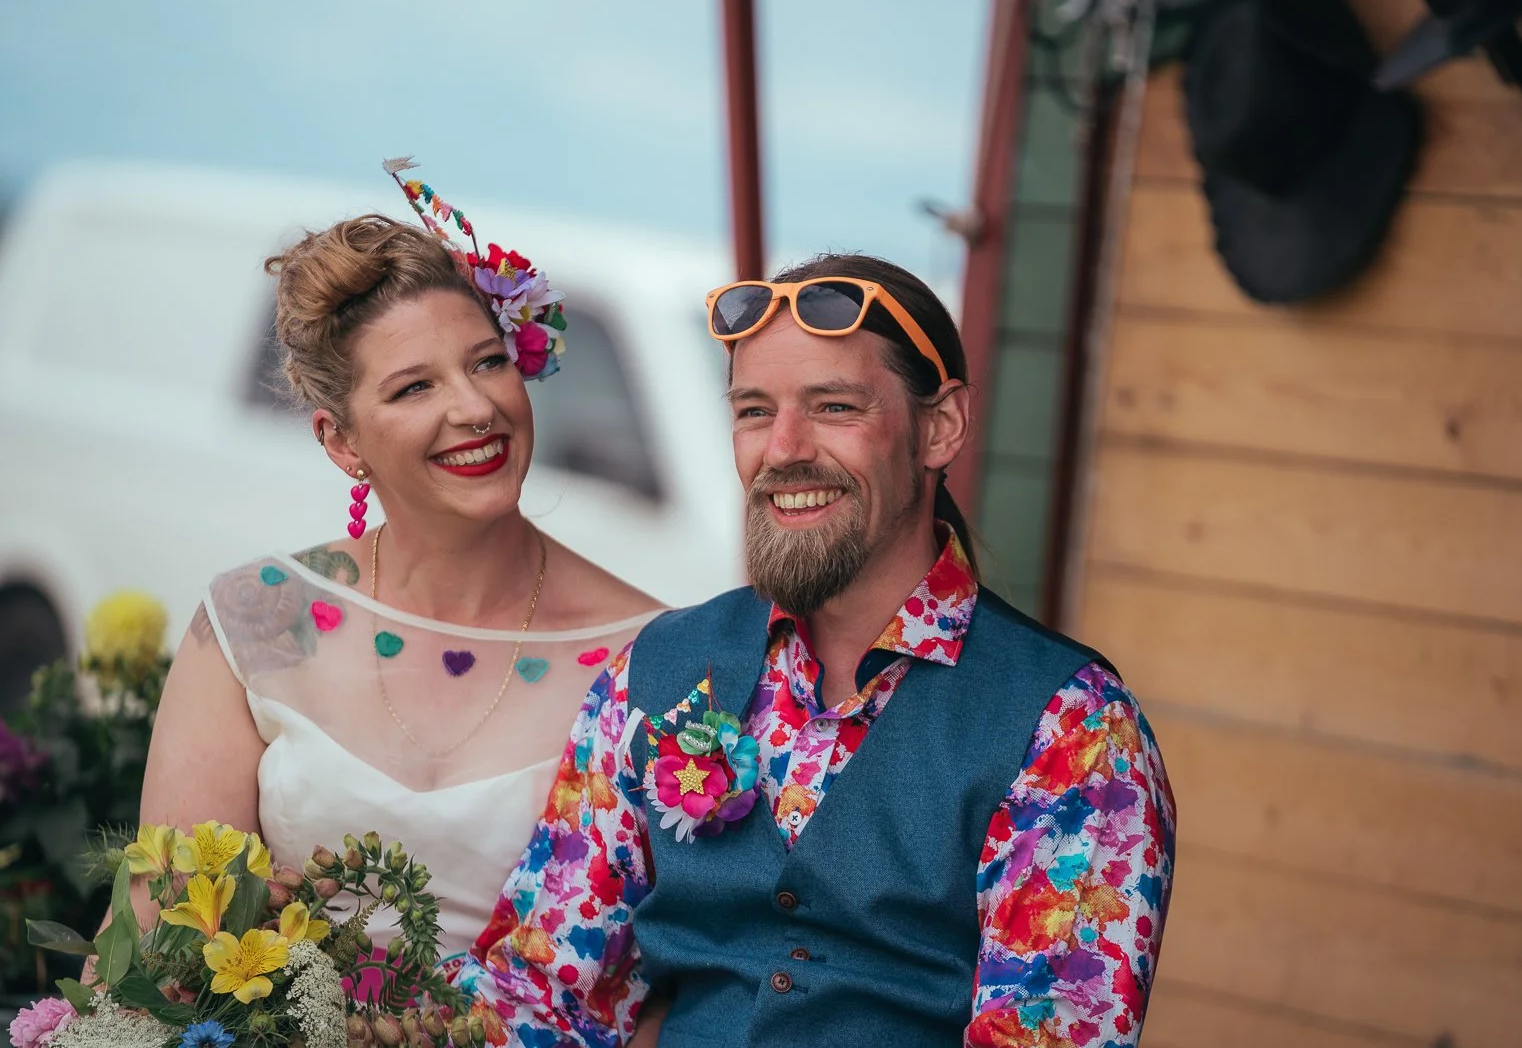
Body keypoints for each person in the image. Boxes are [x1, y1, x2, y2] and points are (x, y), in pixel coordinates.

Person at [456, 253, 1177, 1046]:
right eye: (754, 410)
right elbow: (541, 989)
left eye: (834, 406)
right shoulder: (656, 669)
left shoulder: (1070, 728)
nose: (784, 449)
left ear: (940, 427)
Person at [134, 162, 665, 978]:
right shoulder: (252, 619)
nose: (475, 407)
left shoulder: (649, 653)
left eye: (488, 362)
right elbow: (158, 935)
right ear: (341, 441)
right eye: (415, 386)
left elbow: (683, 971)